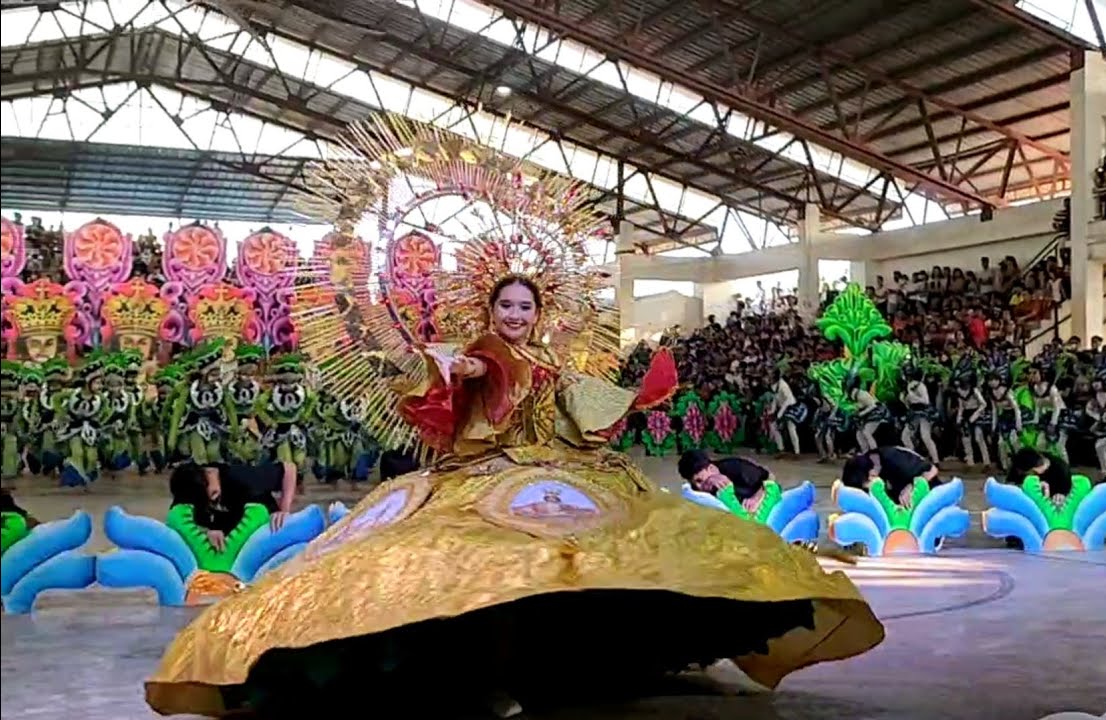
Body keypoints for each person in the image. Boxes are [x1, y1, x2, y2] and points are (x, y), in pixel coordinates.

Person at [144, 150, 883, 719]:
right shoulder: (470, 354)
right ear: (490, 308)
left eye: (526, 304)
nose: (516, 314)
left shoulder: (554, 362)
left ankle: (584, 664)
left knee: (606, 557)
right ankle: (479, 679)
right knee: (470, 576)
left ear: (540, 309)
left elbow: (587, 411)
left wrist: (637, 391)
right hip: (479, 479)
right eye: (507, 304)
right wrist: (454, 372)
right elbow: (434, 392)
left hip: (555, 478)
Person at [168, 460, 299, 545]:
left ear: (210, 473)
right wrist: (204, 533)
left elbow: (289, 469)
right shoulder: (188, 486)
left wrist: (284, 511)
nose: (213, 499)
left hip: (262, 528)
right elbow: (177, 522)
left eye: (214, 493)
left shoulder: (240, 477)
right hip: (225, 539)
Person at [678, 450, 779, 521]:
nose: (699, 487)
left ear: (712, 468)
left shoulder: (736, 467)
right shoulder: (696, 488)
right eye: (694, 483)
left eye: (700, 480)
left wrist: (756, 497)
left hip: (754, 495)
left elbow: (769, 477)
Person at [841, 446, 939, 508]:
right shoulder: (867, 462)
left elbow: (932, 470)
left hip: (928, 496)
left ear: (872, 474)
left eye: (866, 484)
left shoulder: (896, 460)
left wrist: (911, 487)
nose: (867, 487)